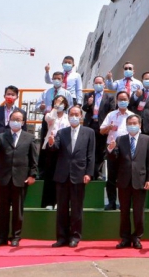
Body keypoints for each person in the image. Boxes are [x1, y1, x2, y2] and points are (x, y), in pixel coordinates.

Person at [46, 105, 95, 248]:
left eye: (76, 114)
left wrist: (89, 173)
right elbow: (55, 148)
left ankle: (75, 236)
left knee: (76, 208)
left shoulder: (89, 132)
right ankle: (61, 237)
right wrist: (51, 143)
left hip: (79, 175)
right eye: (71, 114)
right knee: (61, 208)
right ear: (68, 117)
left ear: (81, 116)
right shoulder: (62, 132)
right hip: (62, 175)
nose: (74, 117)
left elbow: (91, 155)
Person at [0, 110, 37, 247]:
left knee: (17, 211)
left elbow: (33, 158)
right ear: (9, 120)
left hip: (20, 178)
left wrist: (32, 175)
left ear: (23, 122)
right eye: (13, 119)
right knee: (2, 210)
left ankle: (16, 237)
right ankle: (1, 238)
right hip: (4, 178)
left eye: (19, 119)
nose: (16, 121)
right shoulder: (1, 136)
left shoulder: (29, 137)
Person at [108, 114, 149, 249]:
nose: (132, 125)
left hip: (140, 180)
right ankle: (125, 238)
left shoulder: (147, 140)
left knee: (138, 212)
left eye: (135, 123)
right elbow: (114, 158)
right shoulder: (120, 139)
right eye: (130, 123)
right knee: (124, 211)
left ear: (139, 125)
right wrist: (111, 149)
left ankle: (137, 237)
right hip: (124, 180)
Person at [100, 90, 135, 210]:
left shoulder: (132, 116)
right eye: (120, 99)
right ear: (116, 101)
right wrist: (109, 127)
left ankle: (124, 203)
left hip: (127, 149)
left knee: (125, 177)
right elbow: (101, 131)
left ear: (128, 101)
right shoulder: (111, 115)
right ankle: (111, 202)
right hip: (112, 148)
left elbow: (137, 133)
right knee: (111, 177)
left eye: (125, 99)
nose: (122, 102)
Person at [40, 95, 71, 209]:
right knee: (50, 174)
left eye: (62, 102)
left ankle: (60, 202)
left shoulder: (68, 117)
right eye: (58, 102)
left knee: (62, 175)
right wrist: (55, 106)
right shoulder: (50, 115)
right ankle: (48, 202)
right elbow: (49, 119)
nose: (60, 104)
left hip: (64, 147)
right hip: (51, 145)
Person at [82, 76, 114, 181]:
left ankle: (98, 173)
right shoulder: (88, 95)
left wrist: (108, 125)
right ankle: (88, 173)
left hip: (102, 126)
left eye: (100, 83)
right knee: (89, 149)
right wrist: (89, 103)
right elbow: (84, 108)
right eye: (96, 83)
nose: (98, 84)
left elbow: (112, 110)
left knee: (101, 150)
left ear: (104, 84)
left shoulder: (109, 97)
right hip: (90, 124)